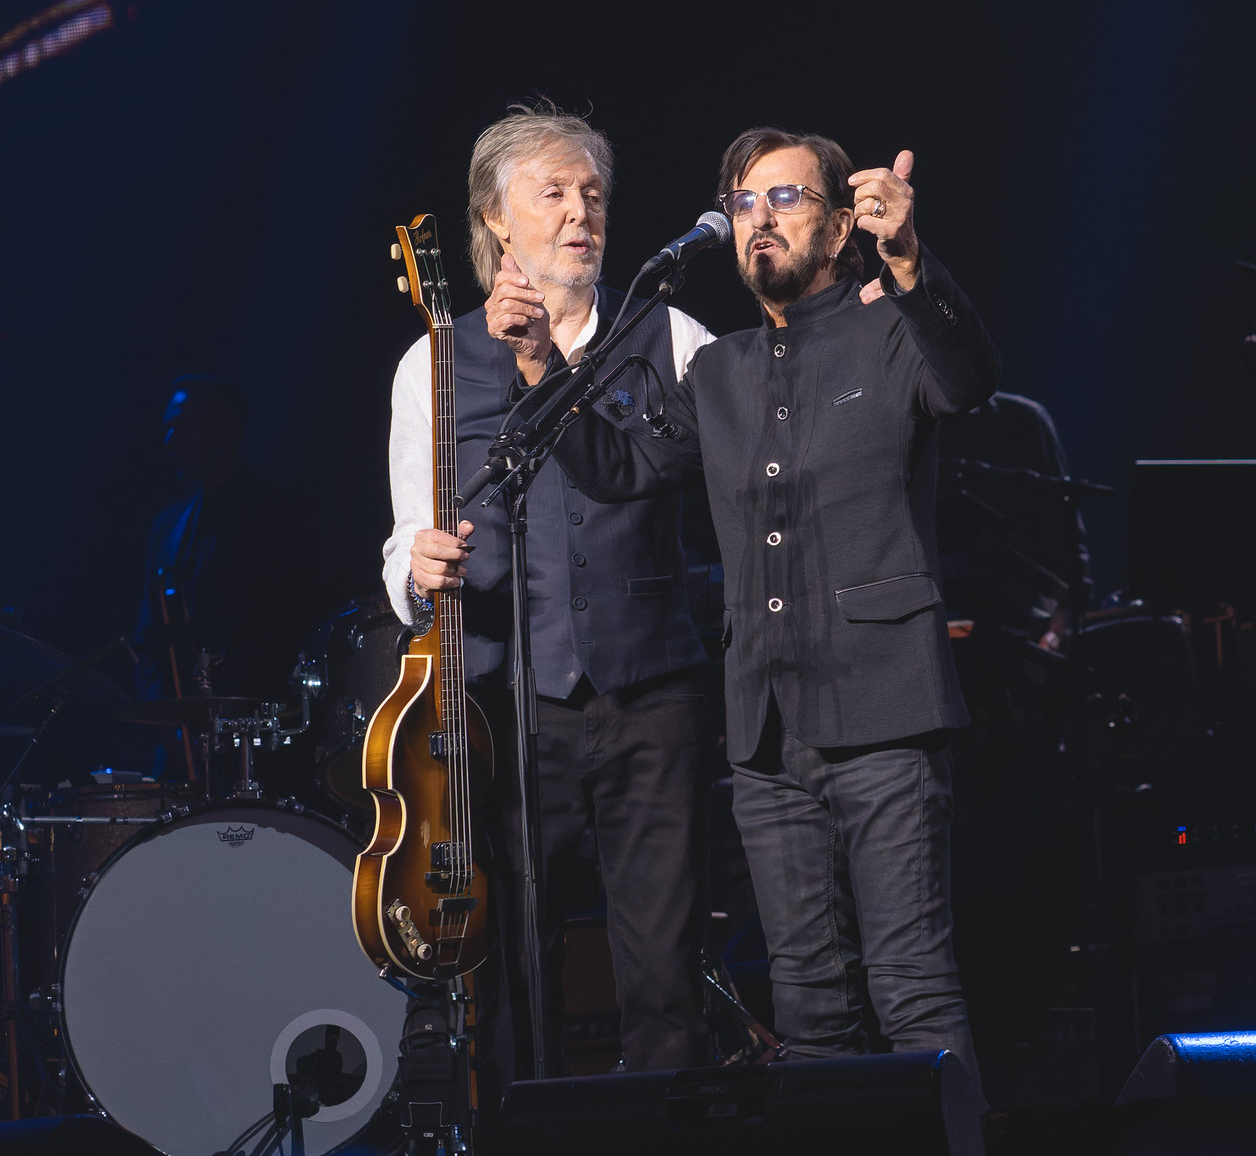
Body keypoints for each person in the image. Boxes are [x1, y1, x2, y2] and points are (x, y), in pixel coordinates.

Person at [551, 127, 1001, 1106]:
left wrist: (913, 262)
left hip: (888, 711)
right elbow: (618, 467)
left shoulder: (893, 327)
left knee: (913, 992)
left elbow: (966, 377)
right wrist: (538, 359)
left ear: (840, 226)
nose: (759, 218)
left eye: (786, 198)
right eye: (744, 201)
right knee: (805, 1010)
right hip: (765, 731)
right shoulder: (721, 372)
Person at [380, 101, 715, 1090]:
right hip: (507, 708)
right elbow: (405, 534)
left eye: (593, 195)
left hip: (651, 689)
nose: (581, 214)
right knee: (513, 953)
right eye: (554, 193)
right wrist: (417, 567)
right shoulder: (434, 361)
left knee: (663, 959)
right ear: (496, 218)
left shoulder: (670, 333)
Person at [133, 376, 319, 782]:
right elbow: (151, 641)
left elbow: (284, 633)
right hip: (181, 747)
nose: (169, 440)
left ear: (224, 430)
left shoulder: (278, 518)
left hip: (257, 745)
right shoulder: (168, 526)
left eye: (181, 425)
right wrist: (164, 723)